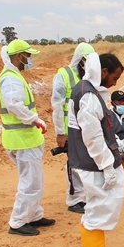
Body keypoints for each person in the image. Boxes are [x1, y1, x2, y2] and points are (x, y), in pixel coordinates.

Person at [68, 52, 124, 247]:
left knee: (101, 206)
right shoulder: (88, 96)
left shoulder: (86, 90)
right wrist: (107, 165)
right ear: (103, 72)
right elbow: (92, 137)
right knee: (98, 207)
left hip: (92, 162)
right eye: (114, 77)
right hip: (93, 163)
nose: (115, 83)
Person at [0, 39, 53, 236]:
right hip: (22, 139)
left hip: (24, 138)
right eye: (28, 56)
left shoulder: (13, 75)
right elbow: (13, 103)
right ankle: (19, 221)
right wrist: (33, 119)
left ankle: (34, 215)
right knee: (31, 183)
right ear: (19, 56)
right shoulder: (11, 78)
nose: (30, 60)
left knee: (33, 180)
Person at [51, 42, 95, 214]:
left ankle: (84, 196)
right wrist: (60, 133)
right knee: (73, 164)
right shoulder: (64, 75)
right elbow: (57, 104)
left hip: (85, 128)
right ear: (82, 59)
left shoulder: (89, 75)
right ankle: (75, 199)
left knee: (85, 162)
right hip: (70, 129)